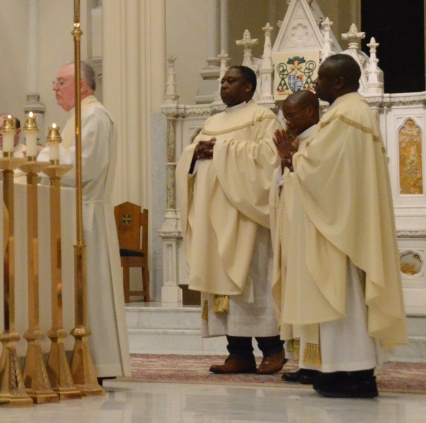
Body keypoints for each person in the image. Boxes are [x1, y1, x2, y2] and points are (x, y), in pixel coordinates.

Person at [273, 55, 408, 398]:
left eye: (320, 79)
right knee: (340, 298)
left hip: (340, 233)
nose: (315, 84)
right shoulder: (350, 113)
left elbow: (323, 168)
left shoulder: (348, 114)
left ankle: (354, 375)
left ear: (339, 83)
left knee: (343, 297)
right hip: (340, 224)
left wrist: (293, 157)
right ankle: (337, 372)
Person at [175, 66, 284, 375]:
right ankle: (238, 353)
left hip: (246, 216)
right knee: (222, 287)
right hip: (214, 219)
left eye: (231, 81)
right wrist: (195, 153)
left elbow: (269, 158)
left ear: (249, 88)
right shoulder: (211, 122)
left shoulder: (263, 119)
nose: (224, 86)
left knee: (254, 283)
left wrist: (220, 149)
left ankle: (273, 350)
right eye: (222, 81)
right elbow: (188, 161)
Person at [36, 61, 130, 378]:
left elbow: (83, 168)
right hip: (75, 212)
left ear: (82, 85)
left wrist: (40, 155)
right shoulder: (78, 117)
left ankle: (96, 362)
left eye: (60, 81)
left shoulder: (94, 116)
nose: (54, 88)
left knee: (90, 292)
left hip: (87, 214)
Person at [269, 90, 320, 385]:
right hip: (292, 228)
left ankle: (316, 363)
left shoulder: (320, 140)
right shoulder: (295, 141)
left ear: (311, 112)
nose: (287, 122)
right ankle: (304, 362)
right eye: (285, 116)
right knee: (294, 292)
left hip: (311, 232)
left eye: (292, 115)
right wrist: (284, 162)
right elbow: (282, 184)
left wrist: (292, 159)